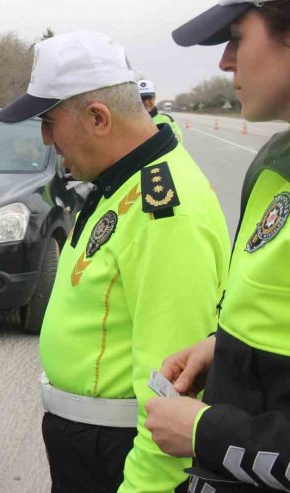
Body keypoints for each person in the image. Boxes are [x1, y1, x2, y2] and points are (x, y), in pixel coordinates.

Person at [0, 30, 230, 492]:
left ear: (98, 118)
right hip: (90, 444)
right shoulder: (124, 178)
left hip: (117, 453)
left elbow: (171, 396)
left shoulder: (164, 211)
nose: (46, 139)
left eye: (49, 121)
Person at [145, 1, 290, 491]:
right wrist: (224, 350)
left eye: (237, 37)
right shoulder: (277, 158)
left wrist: (208, 432)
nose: (225, 61)